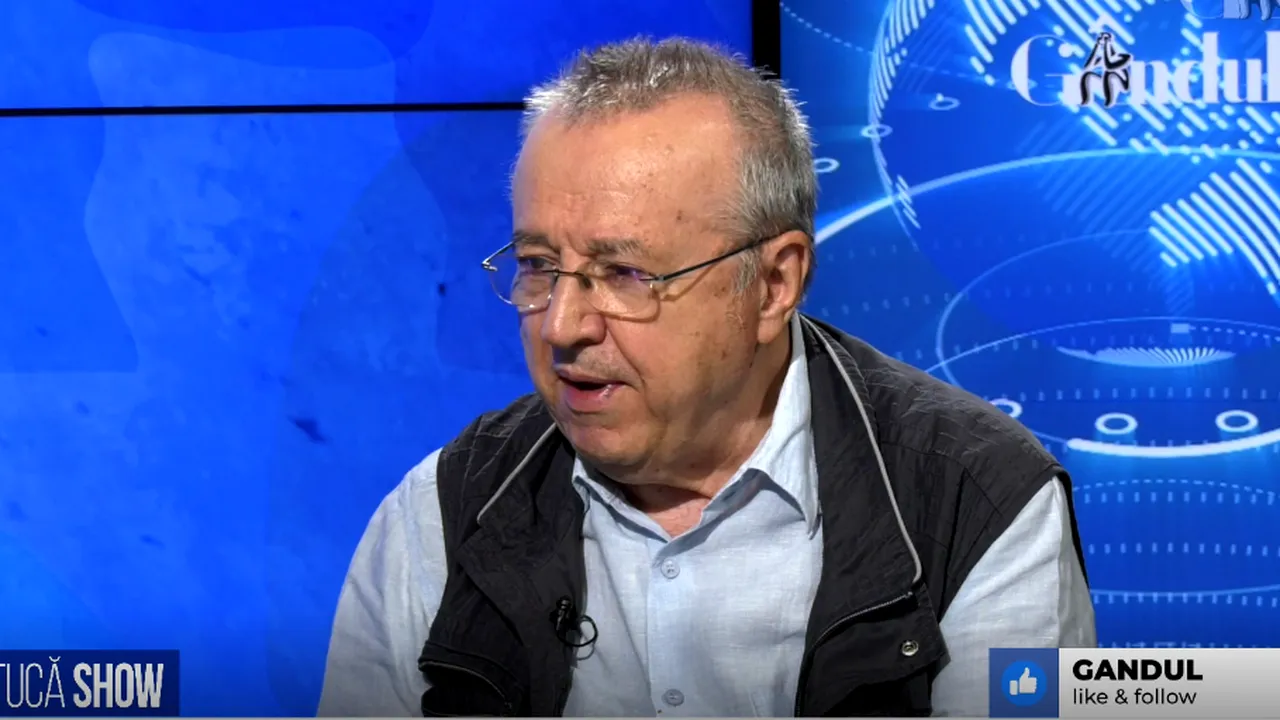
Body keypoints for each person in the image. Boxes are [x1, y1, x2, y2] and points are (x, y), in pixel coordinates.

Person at [317, 37, 1096, 718]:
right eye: (538, 265)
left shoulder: (974, 503)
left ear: (774, 283)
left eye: (624, 273)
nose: (561, 325)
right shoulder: (443, 514)